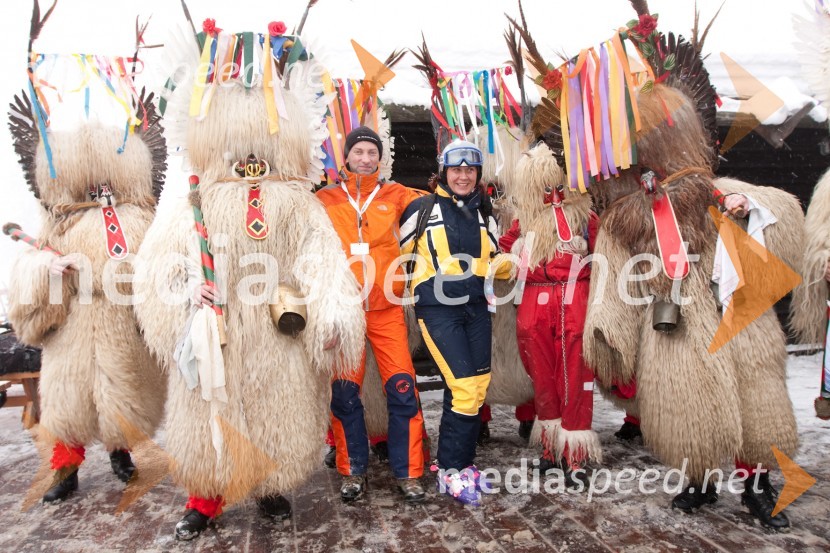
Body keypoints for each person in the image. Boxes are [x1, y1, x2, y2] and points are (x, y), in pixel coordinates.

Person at [134, 21, 366, 540]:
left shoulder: (295, 199)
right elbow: (159, 265)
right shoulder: (195, 199)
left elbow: (320, 258)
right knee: (209, 410)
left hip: (276, 326)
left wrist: (330, 311)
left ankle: (270, 486)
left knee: (276, 408)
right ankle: (205, 498)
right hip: (213, 327)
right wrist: (188, 291)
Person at [316, 126, 426, 503]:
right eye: (358, 152)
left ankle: (409, 473)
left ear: (381, 158)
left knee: (401, 390)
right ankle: (352, 471)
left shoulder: (395, 194)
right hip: (345, 311)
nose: (365, 158)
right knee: (345, 394)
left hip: (387, 309)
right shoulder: (324, 199)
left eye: (372, 153)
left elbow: (440, 201)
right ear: (346, 157)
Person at [400, 140, 510, 506]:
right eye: (456, 169)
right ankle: (451, 470)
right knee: (464, 388)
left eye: (470, 170)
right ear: (444, 171)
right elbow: (397, 257)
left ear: (477, 174)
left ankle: (461, 465)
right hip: (438, 310)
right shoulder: (421, 209)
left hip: (477, 309)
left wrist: (503, 265)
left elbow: (492, 257)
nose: (463, 176)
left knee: (476, 387)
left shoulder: (485, 211)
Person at [498, 143, 601, 487]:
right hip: (534, 302)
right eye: (545, 187)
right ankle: (550, 447)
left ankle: (575, 452)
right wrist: (512, 253)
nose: (553, 194)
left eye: (557, 186)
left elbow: (607, 257)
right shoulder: (522, 220)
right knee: (541, 376)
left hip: (575, 298)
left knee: (574, 375)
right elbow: (500, 250)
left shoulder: (585, 217)